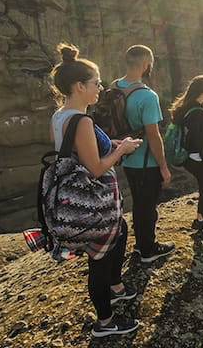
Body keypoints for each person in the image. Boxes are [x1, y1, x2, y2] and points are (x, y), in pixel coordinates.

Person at [49, 43, 143, 337]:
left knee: (121, 230)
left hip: (79, 195)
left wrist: (110, 143)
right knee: (99, 259)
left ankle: (116, 286)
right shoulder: (82, 121)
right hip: (94, 198)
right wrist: (121, 150)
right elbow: (96, 168)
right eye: (96, 83)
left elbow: (76, 150)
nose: (100, 88)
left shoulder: (61, 115)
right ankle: (105, 322)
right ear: (79, 86)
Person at [116, 44, 175, 263]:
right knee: (148, 206)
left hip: (125, 157)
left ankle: (141, 244)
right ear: (145, 64)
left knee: (139, 202)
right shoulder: (148, 96)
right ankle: (148, 249)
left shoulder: (115, 87)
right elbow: (154, 135)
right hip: (146, 161)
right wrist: (163, 166)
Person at [167, 75, 203, 240]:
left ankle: (200, 219)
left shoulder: (187, 107)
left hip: (189, 158)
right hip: (198, 159)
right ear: (202, 91)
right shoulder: (198, 114)